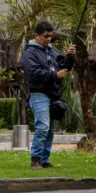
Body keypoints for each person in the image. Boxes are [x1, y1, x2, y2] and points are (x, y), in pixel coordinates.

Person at [21, 22, 76, 169]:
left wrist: (70, 56)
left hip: (53, 95)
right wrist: (55, 75)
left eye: (50, 36)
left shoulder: (53, 51)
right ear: (36, 35)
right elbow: (33, 73)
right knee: (43, 127)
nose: (48, 39)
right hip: (38, 93)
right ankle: (35, 160)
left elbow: (64, 67)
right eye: (45, 36)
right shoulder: (30, 53)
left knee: (50, 130)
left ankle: (44, 160)